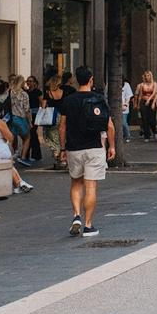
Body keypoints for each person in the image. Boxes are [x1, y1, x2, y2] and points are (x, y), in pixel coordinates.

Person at [58, 66, 115, 238]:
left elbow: (62, 127)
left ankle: (76, 215)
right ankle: (88, 225)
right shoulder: (98, 99)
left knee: (76, 183)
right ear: (91, 80)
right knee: (91, 186)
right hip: (94, 147)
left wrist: (62, 148)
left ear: (76, 80)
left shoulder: (68, 100)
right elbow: (109, 125)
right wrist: (111, 146)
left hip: (74, 147)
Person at [22, 76, 43, 164]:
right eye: (28, 81)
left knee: (32, 133)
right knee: (30, 134)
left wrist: (41, 114)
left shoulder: (38, 92)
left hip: (35, 114)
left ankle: (33, 155)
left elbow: (41, 103)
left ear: (35, 82)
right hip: (27, 115)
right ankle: (30, 155)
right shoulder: (25, 92)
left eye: (31, 81)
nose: (29, 83)